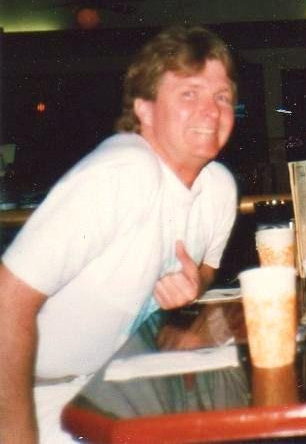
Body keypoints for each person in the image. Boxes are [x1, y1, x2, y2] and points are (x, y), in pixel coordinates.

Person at [0, 25, 239, 443]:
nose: (211, 111)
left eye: (222, 97)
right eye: (189, 93)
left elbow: (205, 269)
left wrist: (193, 286)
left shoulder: (218, 188)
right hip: (35, 397)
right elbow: (7, 298)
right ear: (144, 109)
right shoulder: (125, 171)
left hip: (111, 386)